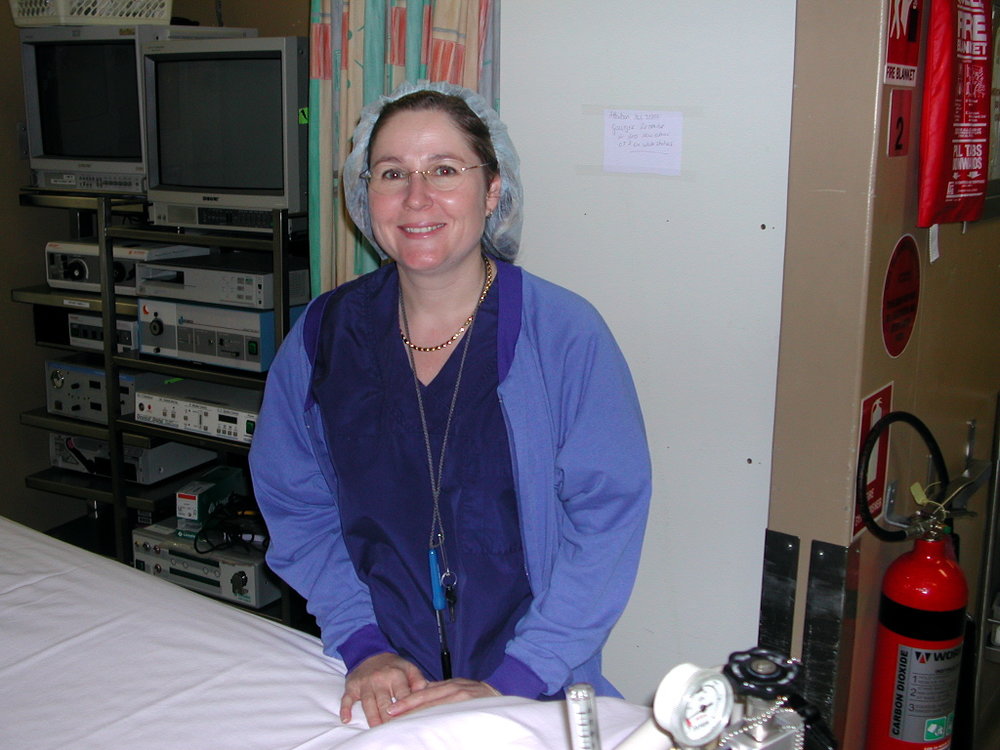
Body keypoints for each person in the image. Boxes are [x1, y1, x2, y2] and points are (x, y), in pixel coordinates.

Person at [248, 80, 651, 728]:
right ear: (365, 195)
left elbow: (606, 524)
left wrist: (513, 682)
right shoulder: (323, 337)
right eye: (392, 173)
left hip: (535, 689)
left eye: (443, 169)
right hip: (381, 688)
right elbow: (296, 505)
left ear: (492, 190)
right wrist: (363, 644)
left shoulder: (563, 336)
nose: (416, 197)